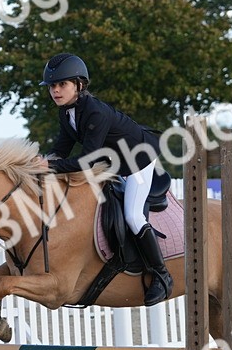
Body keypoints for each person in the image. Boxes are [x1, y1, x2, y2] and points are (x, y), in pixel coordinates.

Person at [39, 52, 171, 305]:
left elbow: (88, 161)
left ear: (79, 85)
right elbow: (61, 150)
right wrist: (41, 161)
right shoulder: (66, 112)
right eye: (52, 86)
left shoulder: (95, 112)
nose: (55, 90)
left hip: (137, 161)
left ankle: (161, 275)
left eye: (61, 85)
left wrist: (50, 166)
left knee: (133, 215)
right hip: (113, 164)